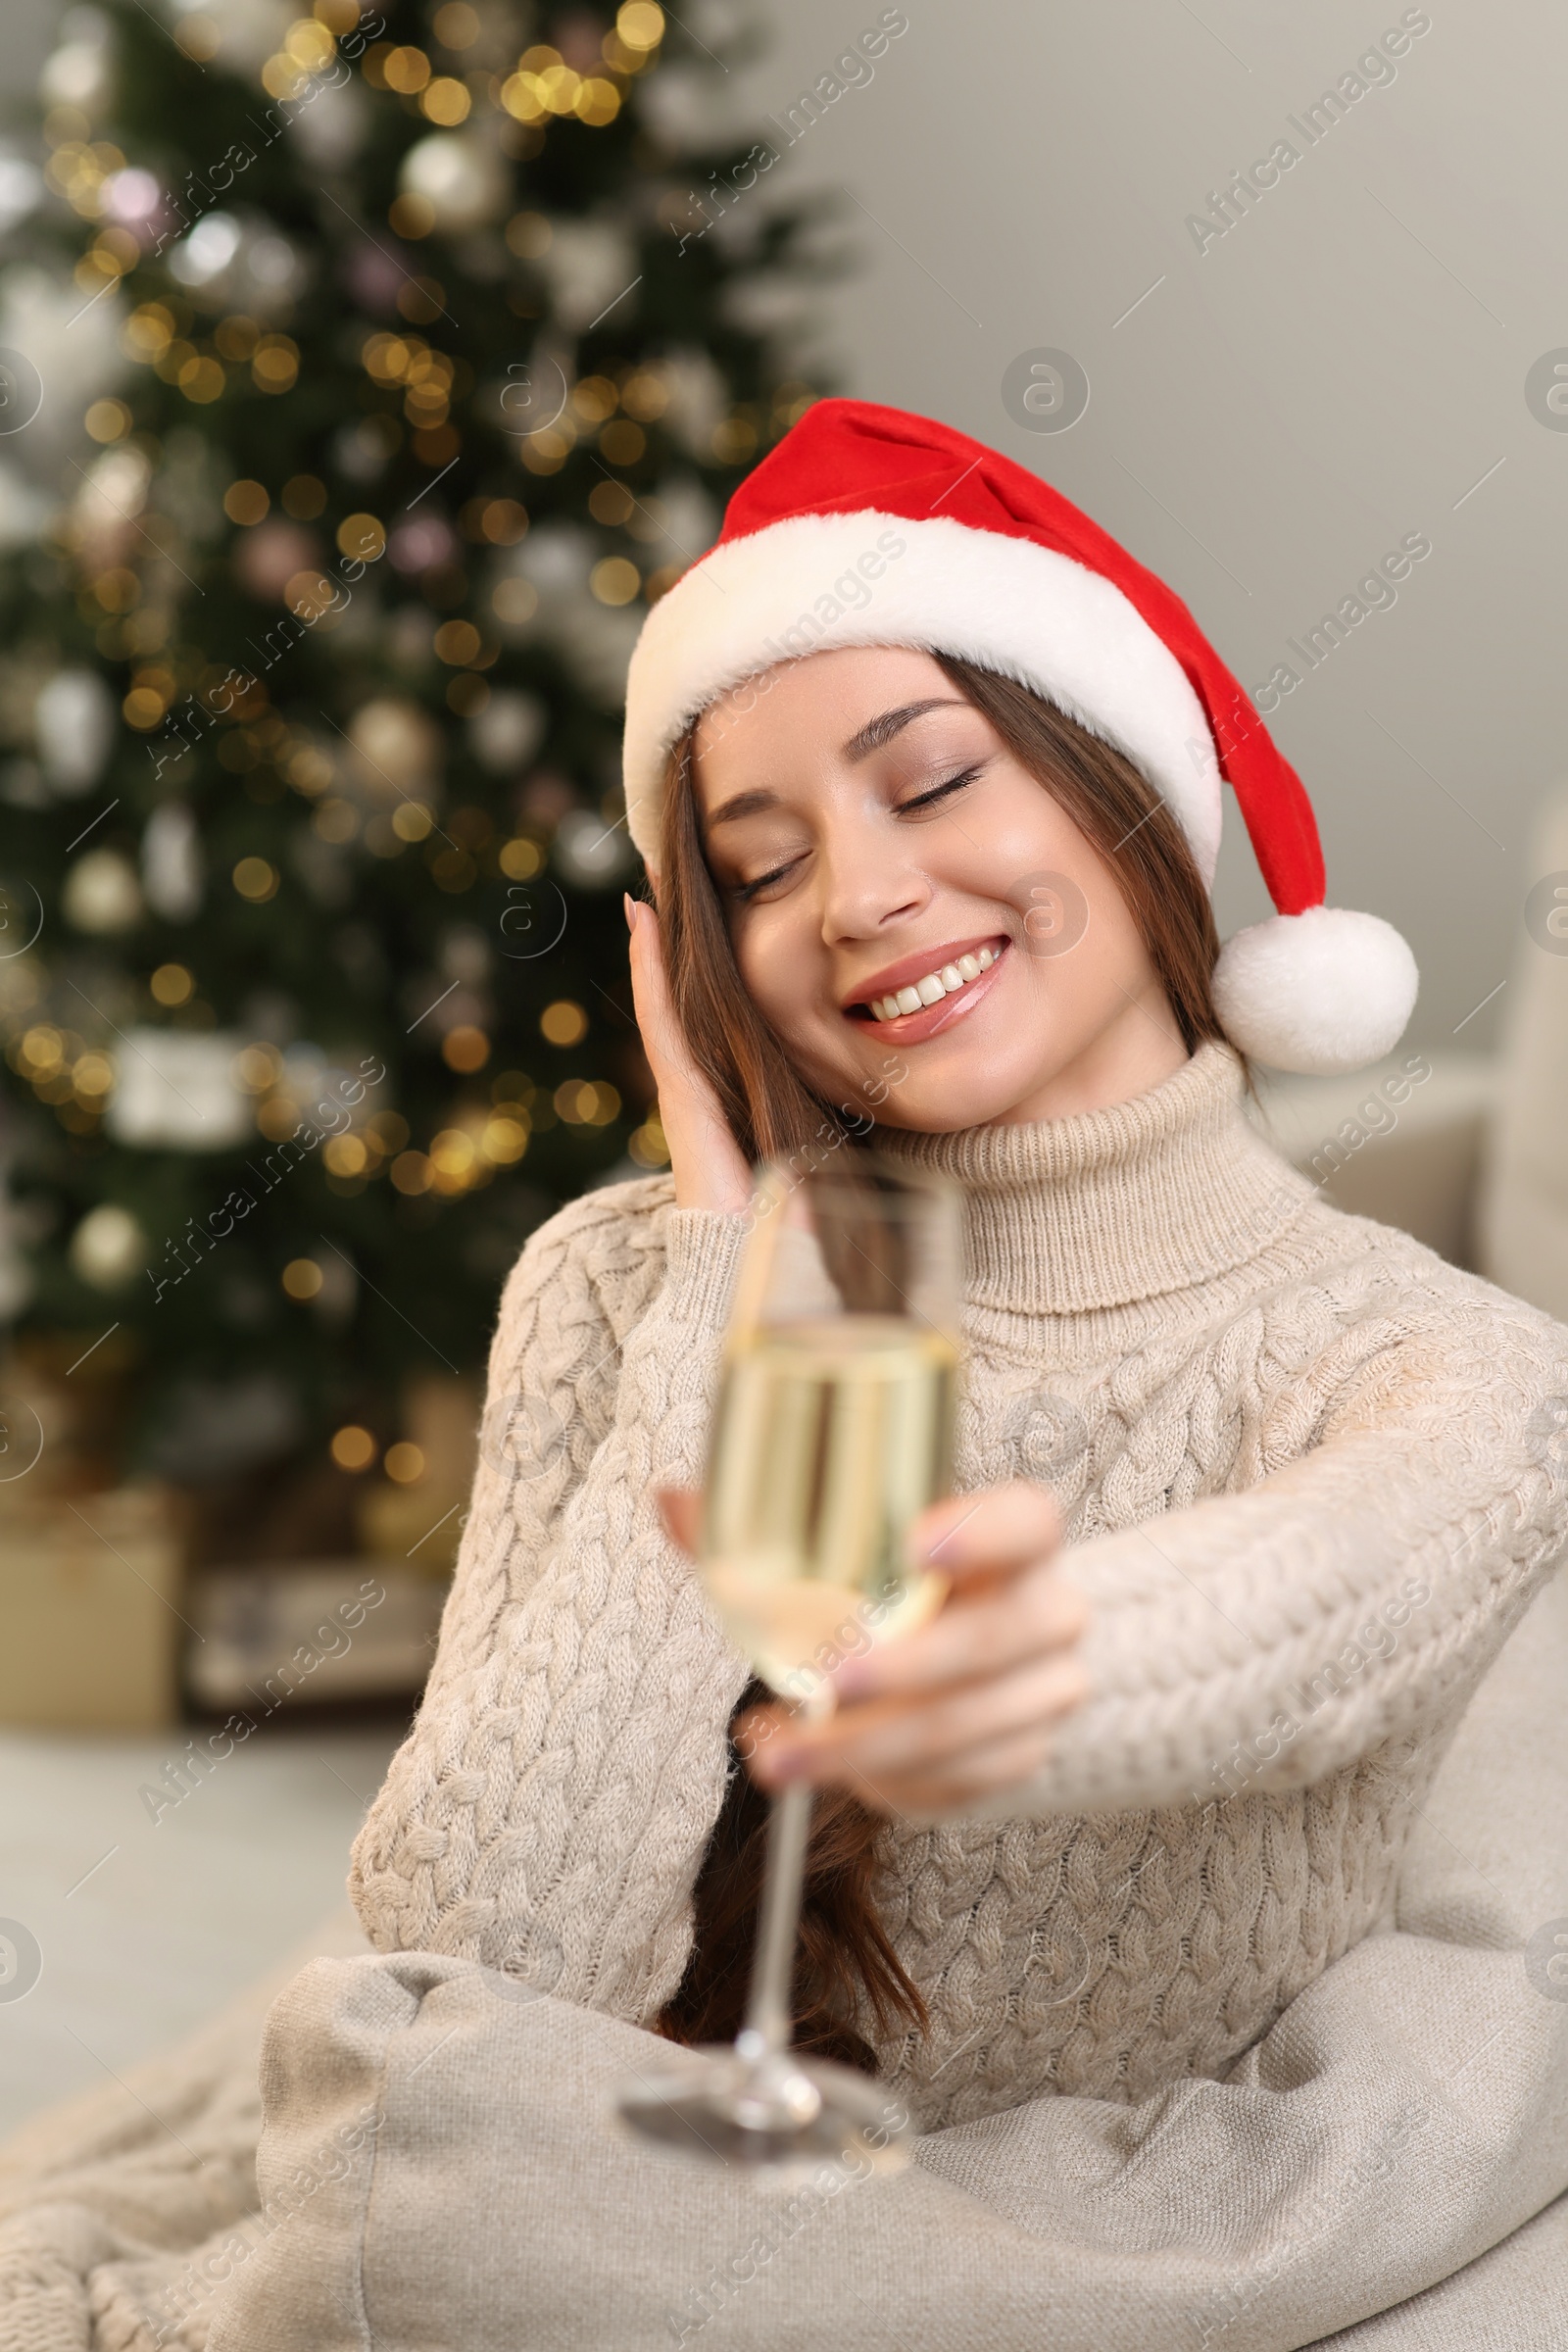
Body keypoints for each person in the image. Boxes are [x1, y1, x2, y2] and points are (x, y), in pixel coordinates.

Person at [348, 398, 1568, 2147]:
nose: (856, 895)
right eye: (761, 867)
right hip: (643, 2188)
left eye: (929, 782)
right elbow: (472, 1975)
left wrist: (1039, 1662)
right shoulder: (623, 1280)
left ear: (1118, 791)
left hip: (1079, 2254)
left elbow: (1323, 1600)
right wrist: (721, 1286)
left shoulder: (1450, 1364)